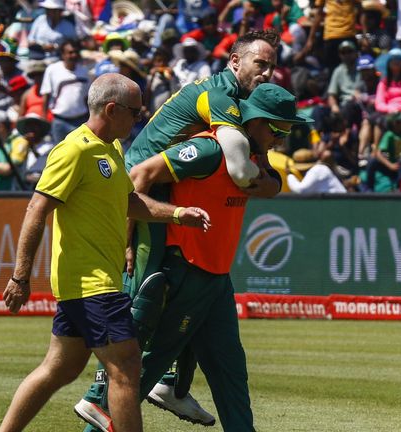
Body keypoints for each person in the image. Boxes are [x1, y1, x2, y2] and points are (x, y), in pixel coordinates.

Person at [74, 30, 282, 430]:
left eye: (272, 65)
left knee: (185, 301)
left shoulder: (241, 104)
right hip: (142, 186)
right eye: (261, 64)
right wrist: (128, 236)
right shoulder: (218, 97)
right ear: (235, 62)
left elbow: (260, 166)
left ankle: (169, 384)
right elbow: (237, 169)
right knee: (149, 291)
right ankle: (101, 394)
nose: (268, 73)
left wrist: (271, 179)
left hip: (162, 188)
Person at [0, 73, 210, 432]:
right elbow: (37, 209)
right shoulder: (74, 150)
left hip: (92, 283)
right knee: (126, 368)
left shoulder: (111, 147)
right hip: (91, 283)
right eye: (135, 112)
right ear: (112, 110)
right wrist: (20, 276)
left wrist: (176, 214)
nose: (138, 119)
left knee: (59, 369)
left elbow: (129, 201)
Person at [121, 83, 311, 431]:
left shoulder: (252, 159)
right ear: (257, 122)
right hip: (187, 273)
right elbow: (139, 175)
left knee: (231, 373)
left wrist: (273, 183)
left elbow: (269, 183)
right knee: (145, 371)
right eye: (280, 130)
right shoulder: (208, 149)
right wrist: (128, 238)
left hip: (216, 277)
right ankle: (99, 416)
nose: (282, 140)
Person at [41, 40, 91, 144]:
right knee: (59, 155)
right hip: (60, 122)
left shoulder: (84, 71)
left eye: (76, 52)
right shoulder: (52, 70)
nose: (74, 55)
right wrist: (44, 118)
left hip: (80, 121)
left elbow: (87, 98)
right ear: (63, 54)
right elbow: (46, 95)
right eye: (70, 52)